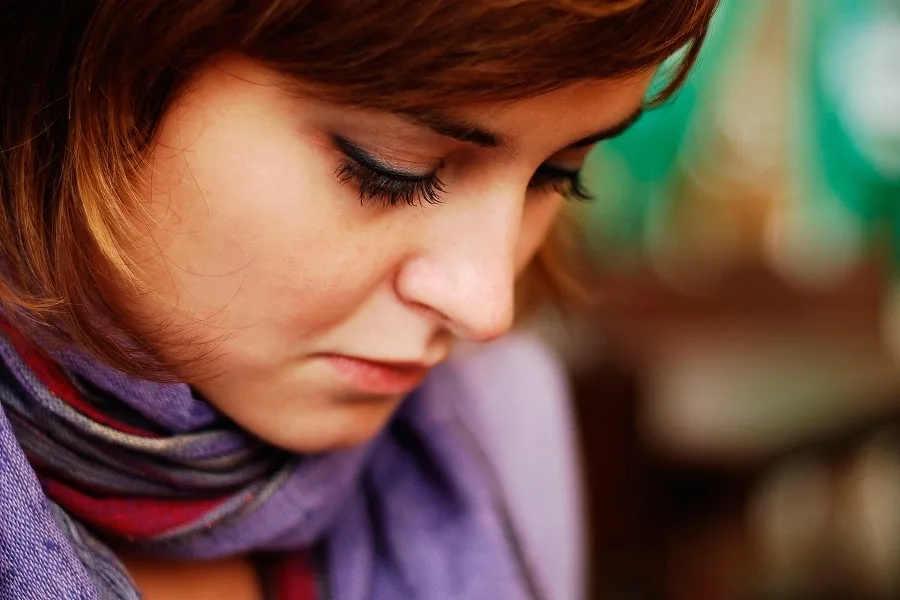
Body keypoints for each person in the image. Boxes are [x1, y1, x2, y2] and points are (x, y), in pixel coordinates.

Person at [0, 1, 718, 599]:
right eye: (393, 171)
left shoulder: (504, 426)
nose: (486, 307)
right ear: (82, 69)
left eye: (557, 177)